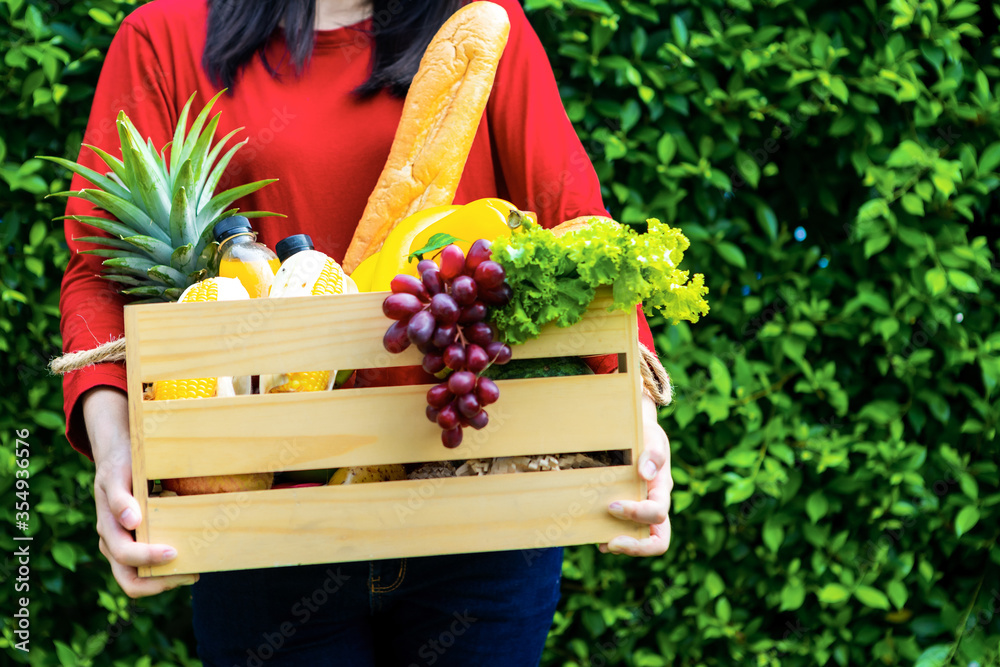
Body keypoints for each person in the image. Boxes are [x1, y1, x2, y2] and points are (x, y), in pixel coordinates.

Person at [60, 0, 673, 663]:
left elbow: (577, 225)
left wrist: (640, 416)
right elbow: (98, 268)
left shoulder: (486, 22)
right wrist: (116, 449)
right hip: (262, 527)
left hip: (480, 511)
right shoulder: (166, 36)